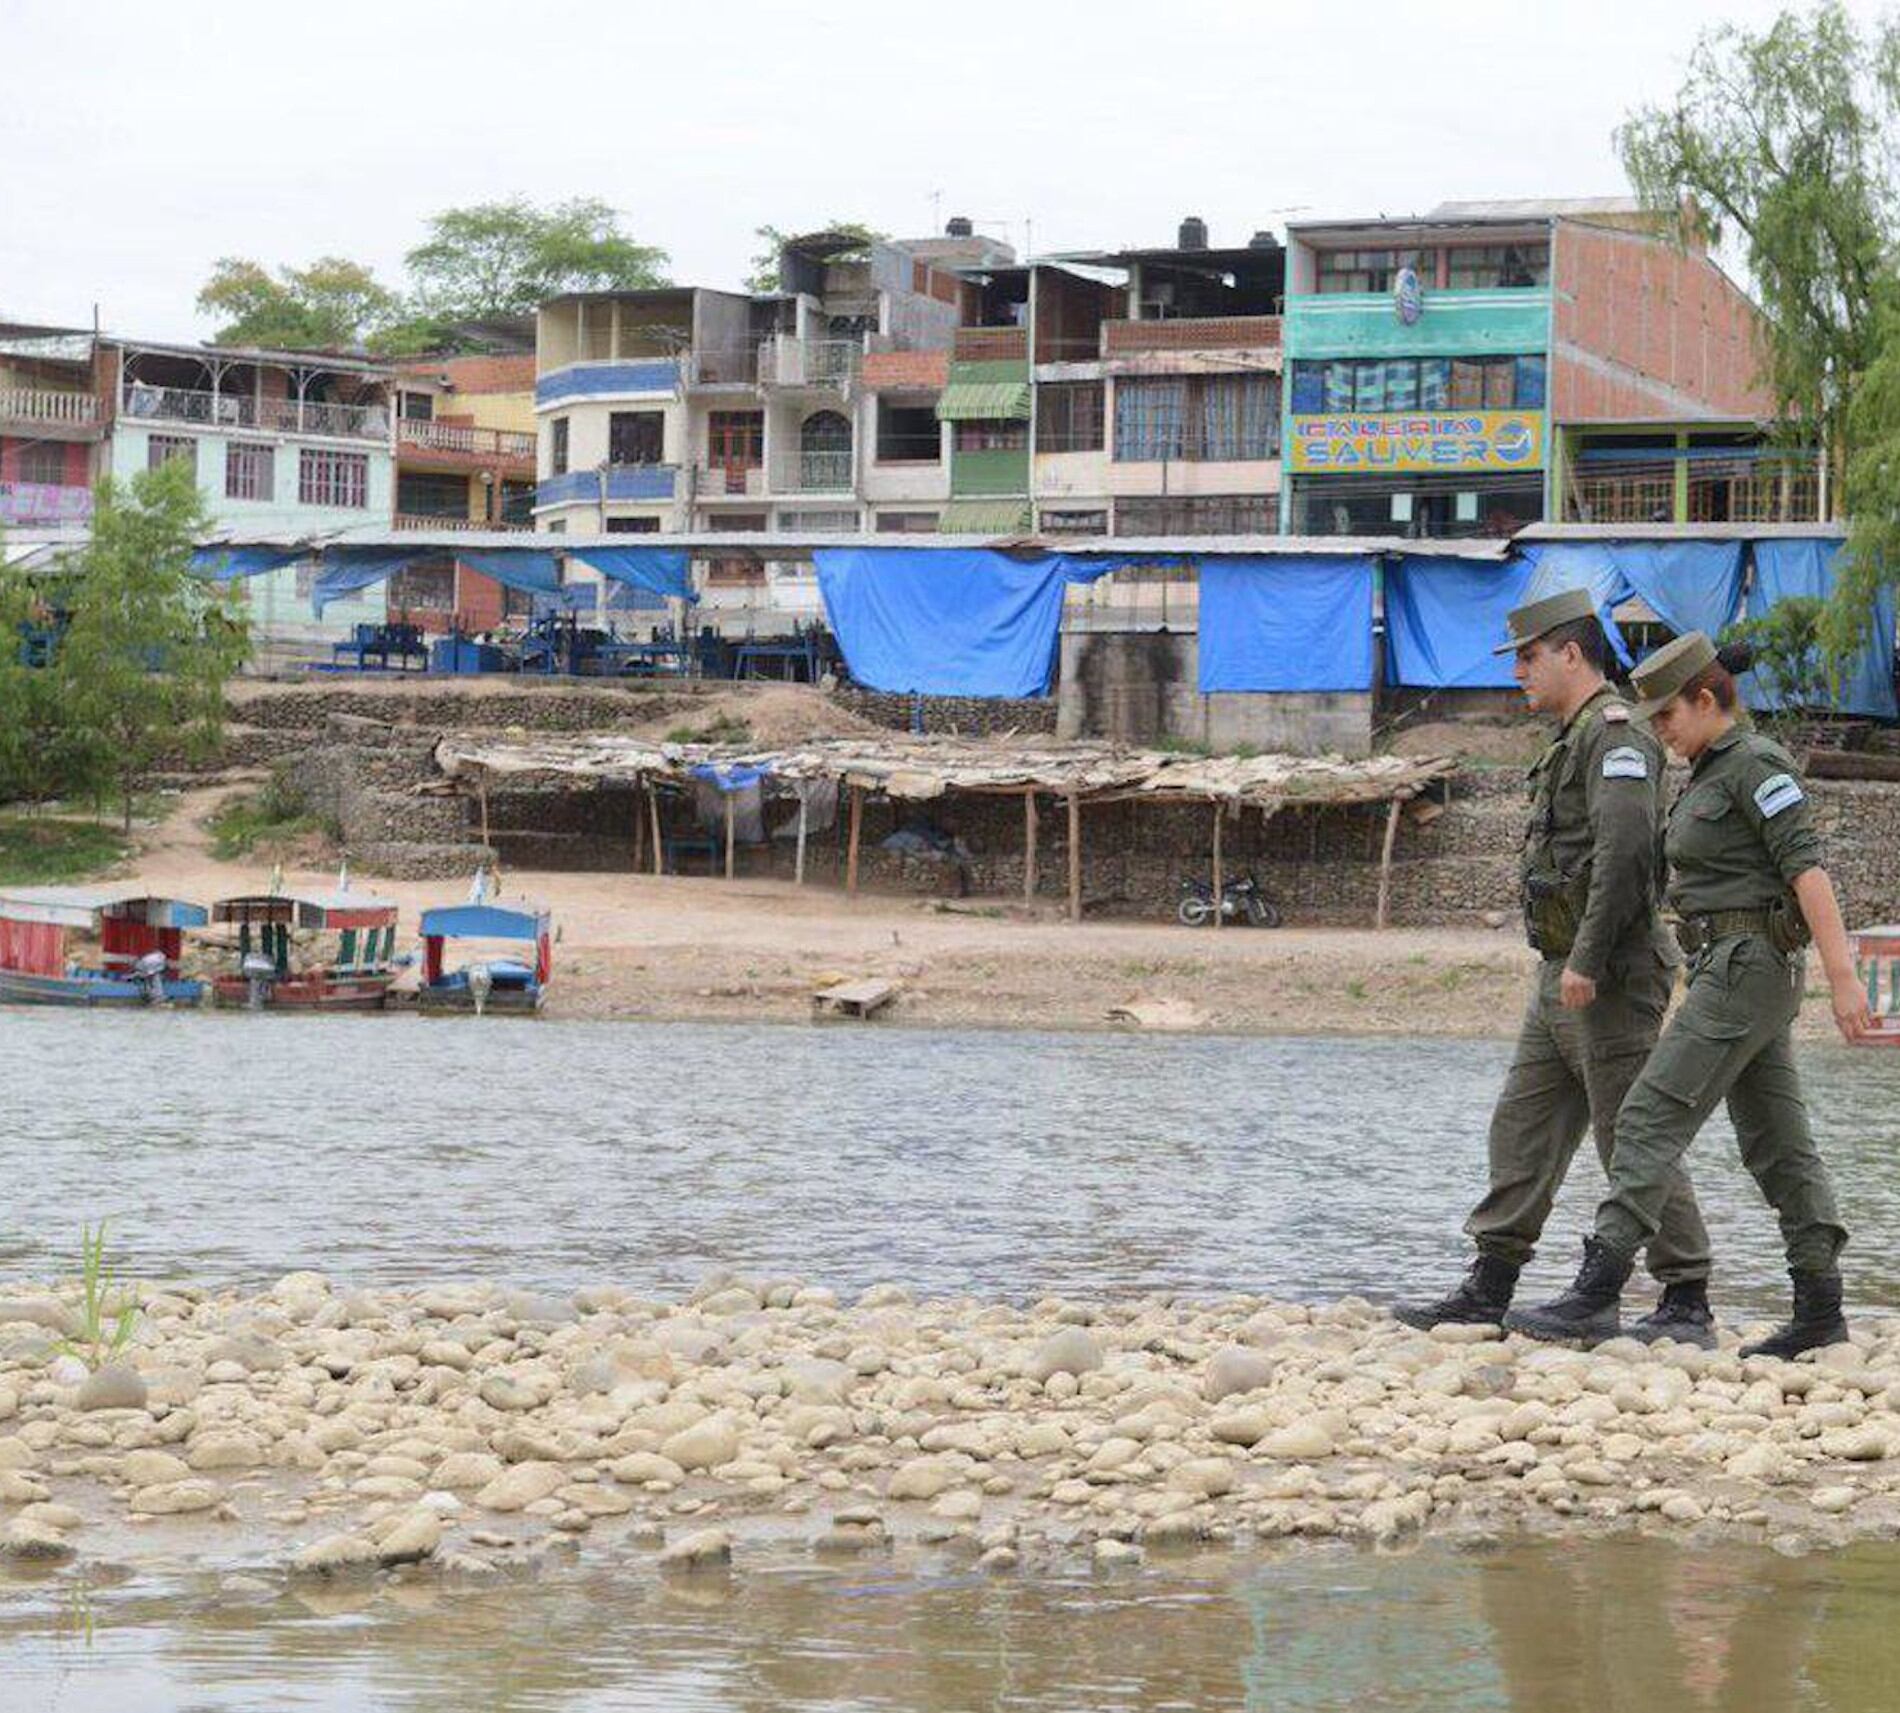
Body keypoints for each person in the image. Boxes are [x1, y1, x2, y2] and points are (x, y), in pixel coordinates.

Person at [1509, 632, 1870, 1356]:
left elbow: (1809, 872)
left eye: (1669, 717)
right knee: (1777, 1141)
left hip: (1749, 964)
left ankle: (1599, 1286)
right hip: (1724, 967)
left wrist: (1844, 978)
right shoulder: (1707, 770)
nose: (1662, 734)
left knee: (1645, 1115)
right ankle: (1821, 1304)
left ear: (1707, 700)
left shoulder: (1757, 764)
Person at [1394, 588, 1714, 1344]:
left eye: (1530, 657)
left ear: (1572, 653)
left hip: (1608, 975)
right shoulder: (1572, 738)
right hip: (1561, 974)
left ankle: (1686, 1295)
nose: (1519, 674)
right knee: (1523, 1125)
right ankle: (1491, 1281)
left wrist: (1591, 958)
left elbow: (1627, 853)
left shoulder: (1617, 738)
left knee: (1631, 1136)